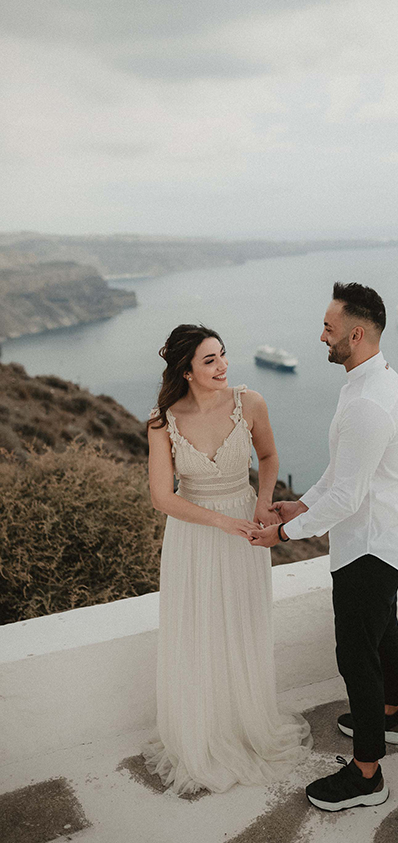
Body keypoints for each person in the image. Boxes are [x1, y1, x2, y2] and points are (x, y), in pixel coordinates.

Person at [250, 282, 398, 811]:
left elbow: (347, 496)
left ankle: (367, 775)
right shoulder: (368, 382)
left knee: (355, 657)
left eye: (329, 327)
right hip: (381, 536)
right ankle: (391, 717)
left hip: (369, 545)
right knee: (382, 633)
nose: (321, 335)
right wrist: (302, 505)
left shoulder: (369, 402)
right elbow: (341, 472)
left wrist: (283, 534)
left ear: (357, 333)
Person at [142, 324, 311, 796]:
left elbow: (269, 456)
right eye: (210, 360)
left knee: (242, 621)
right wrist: (220, 522)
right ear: (187, 371)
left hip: (245, 529)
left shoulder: (249, 402)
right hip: (194, 534)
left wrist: (263, 502)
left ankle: (245, 726)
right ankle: (203, 733)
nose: (223, 366)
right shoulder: (162, 421)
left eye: (222, 355)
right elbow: (162, 498)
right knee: (198, 627)